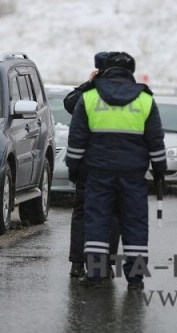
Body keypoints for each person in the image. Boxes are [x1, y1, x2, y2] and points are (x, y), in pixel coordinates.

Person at [66, 51, 167, 290]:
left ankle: (97, 273)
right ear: (130, 72)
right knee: (135, 225)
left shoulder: (89, 98)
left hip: (98, 174)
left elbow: (77, 139)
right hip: (133, 176)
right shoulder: (145, 100)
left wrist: (73, 168)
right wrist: (160, 170)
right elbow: (156, 140)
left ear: (103, 71)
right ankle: (136, 278)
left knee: (97, 222)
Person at [64, 51, 121, 278]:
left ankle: (77, 263)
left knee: (82, 213)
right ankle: (104, 264)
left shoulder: (89, 94)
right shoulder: (129, 92)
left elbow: (69, 103)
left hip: (89, 165)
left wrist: (88, 83)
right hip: (117, 165)